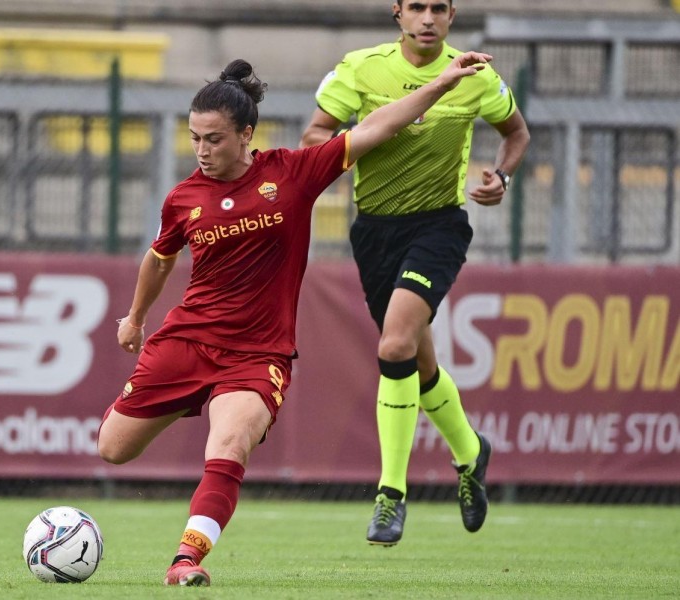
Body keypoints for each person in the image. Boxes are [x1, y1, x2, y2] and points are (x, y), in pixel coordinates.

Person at [97, 52, 493, 587]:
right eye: (194, 138)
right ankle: (198, 398)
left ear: (246, 134)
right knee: (113, 448)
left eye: (214, 139)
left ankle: (186, 559)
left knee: (229, 445)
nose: (202, 151)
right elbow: (160, 257)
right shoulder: (183, 199)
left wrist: (441, 86)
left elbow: (376, 126)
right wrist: (135, 317)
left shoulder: (292, 174)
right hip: (186, 341)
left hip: (257, 355)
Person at [299, 0, 531, 546]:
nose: (428, 18)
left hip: (439, 227)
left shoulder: (475, 75)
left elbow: (516, 133)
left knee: (396, 344)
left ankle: (391, 494)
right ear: (397, 14)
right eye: (417, 8)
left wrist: (501, 176)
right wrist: (370, 137)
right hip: (374, 231)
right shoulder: (361, 68)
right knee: (417, 361)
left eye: (439, 8)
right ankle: (471, 454)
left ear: (453, 16)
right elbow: (313, 138)